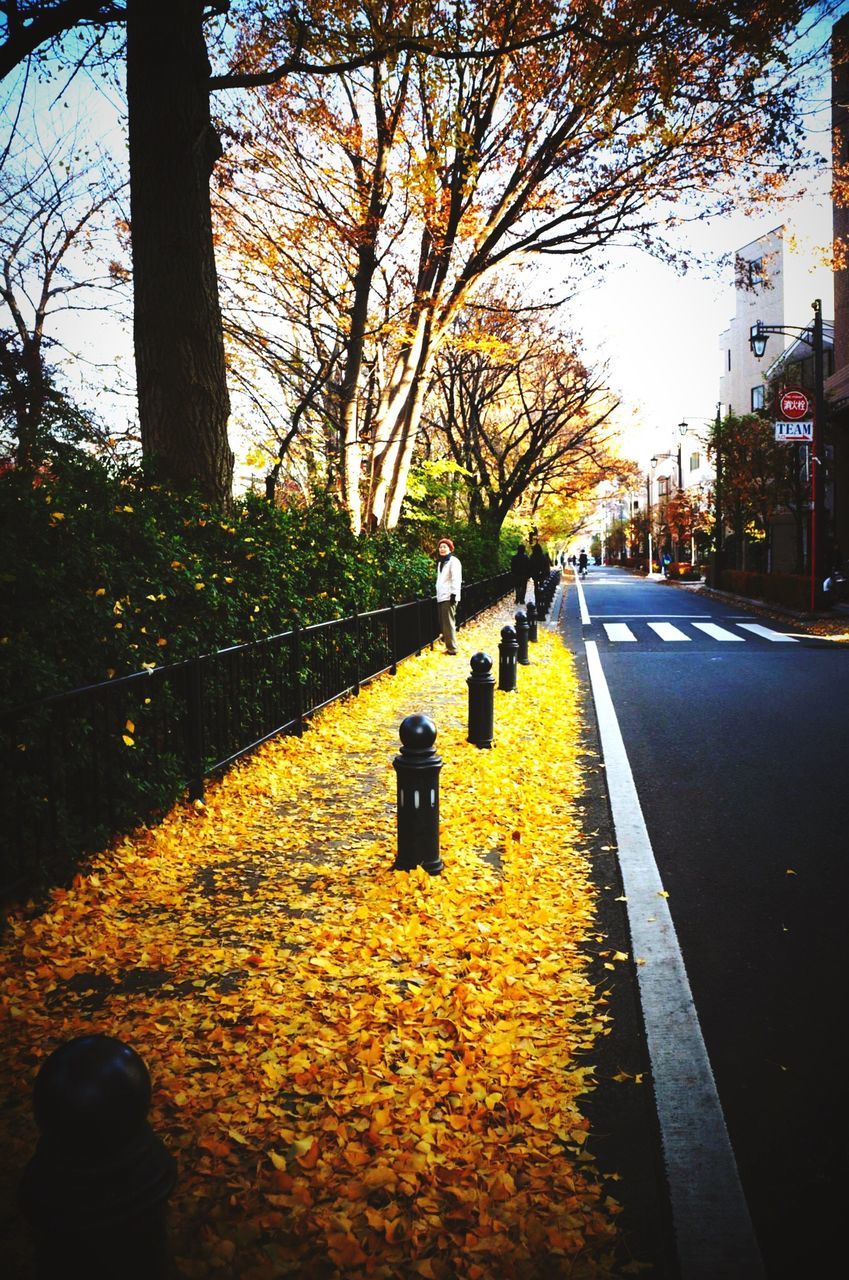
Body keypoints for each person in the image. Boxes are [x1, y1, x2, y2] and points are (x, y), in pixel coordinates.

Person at [435, 536, 462, 655]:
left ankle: (452, 648)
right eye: (440, 547)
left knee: (448, 622)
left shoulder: (453, 561)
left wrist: (454, 595)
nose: (442, 549)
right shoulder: (441, 562)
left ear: (450, 548)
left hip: (449, 596)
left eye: (444, 547)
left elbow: (456, 579)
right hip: (441, 596)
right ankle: (449, 645)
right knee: (444, 622)